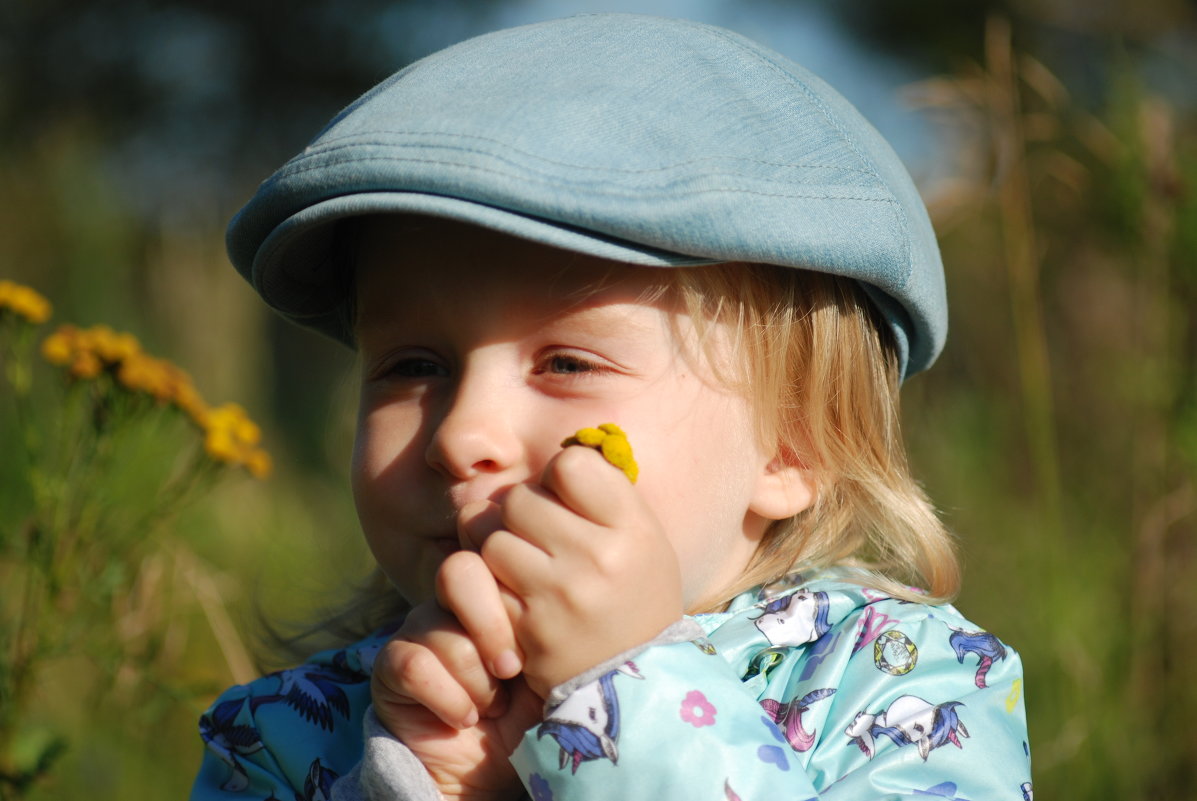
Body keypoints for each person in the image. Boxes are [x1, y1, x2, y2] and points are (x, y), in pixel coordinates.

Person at [190, 13, 1032, 801]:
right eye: (413, 364)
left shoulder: (908, 686)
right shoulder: (283, 737)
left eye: (566, 361)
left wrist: (630, 690)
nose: (461, 435)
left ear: (793, 445)